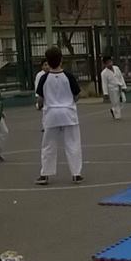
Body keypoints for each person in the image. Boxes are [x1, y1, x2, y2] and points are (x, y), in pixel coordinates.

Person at [35, 47, 84, 185]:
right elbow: (77, 95)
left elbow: (40, 98)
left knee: (48, 145)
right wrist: (69, 102)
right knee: (73, 143)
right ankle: (76, 173)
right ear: (61, 60)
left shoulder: (44, 78)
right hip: (68, 113)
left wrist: (40, 106)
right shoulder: (68, 76)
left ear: (48, 62)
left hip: (51, 114)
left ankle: (45, 174)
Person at [100, 55, 128, 120]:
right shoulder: (104, 73)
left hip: (119, 86)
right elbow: (104, 83)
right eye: (108, 63)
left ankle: (113, 110)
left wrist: (124, 86)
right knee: (115, 102)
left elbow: (121, 77)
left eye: (110, 62)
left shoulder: (116, 68)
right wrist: (105, 93)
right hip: (112, 89)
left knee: (124, 100)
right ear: (105, 64)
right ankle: (117, 116)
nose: (110, 64)